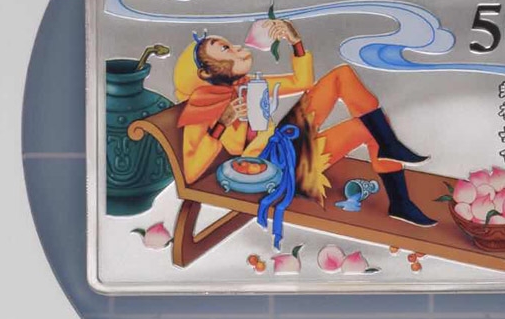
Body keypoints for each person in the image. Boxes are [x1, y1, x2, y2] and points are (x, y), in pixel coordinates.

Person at [173, 18, 437, 227]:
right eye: (225, 49)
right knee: (369, 128)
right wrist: (222, 123)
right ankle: (400, 198)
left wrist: (295, 42)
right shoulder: (202, 105)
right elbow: (192, 171)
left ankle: (392, 161)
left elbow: (301, 82)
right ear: (206, 73)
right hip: (274, 171)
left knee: (342, 76)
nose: (238, 48)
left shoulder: (248, 85)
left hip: (282, 145)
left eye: (231, 44)